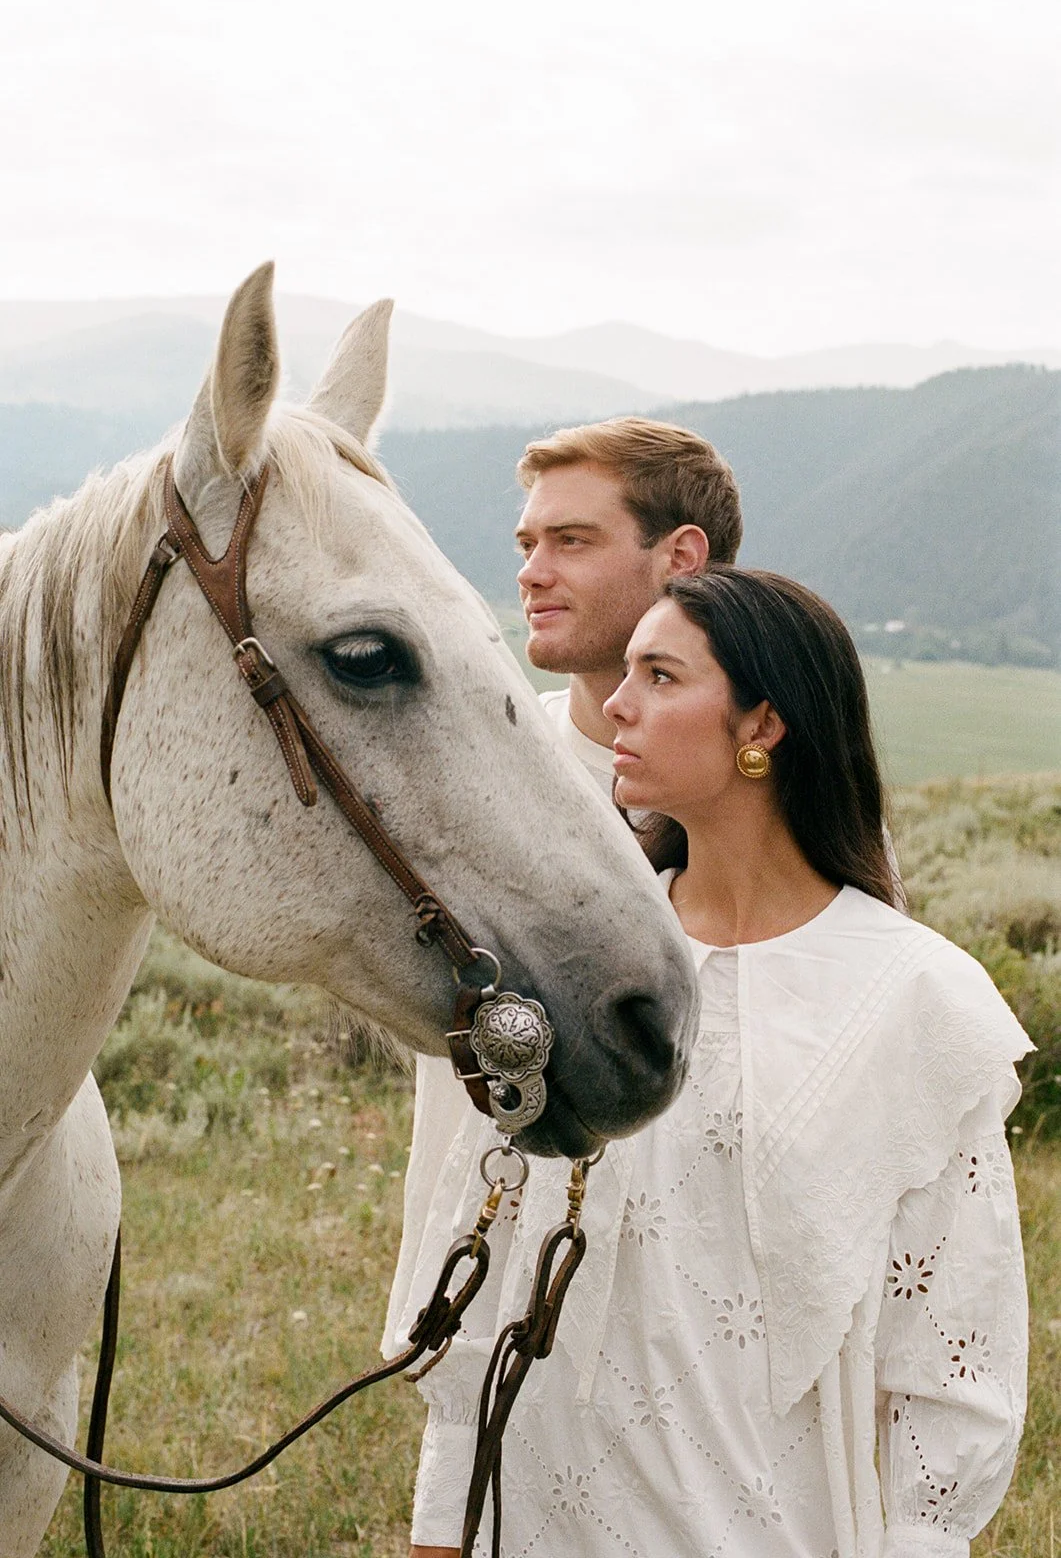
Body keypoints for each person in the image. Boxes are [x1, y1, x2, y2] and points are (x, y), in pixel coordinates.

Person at [387, 567, 1030, 1558]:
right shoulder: (569, 963)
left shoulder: (916, 1001)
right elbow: (492, 1271)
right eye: (623, 671)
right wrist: (441, 1528)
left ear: (761, 723)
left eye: (660, 674)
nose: (619, 703)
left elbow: (951, 1369)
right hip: (529, 1511)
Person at [513, 417, 742, 794]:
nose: (530, 574)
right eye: (527, 546)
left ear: (681, 558)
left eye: (571, 540)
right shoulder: (500, 757)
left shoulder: (781, 797)